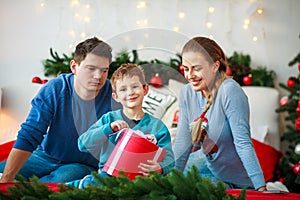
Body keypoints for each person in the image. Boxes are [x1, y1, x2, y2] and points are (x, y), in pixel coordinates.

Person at [0, 37, 115, 183]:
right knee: (3, 172)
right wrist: (6, 178)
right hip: (44, 155)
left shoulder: (114, 96)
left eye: (104, 70)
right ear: (74, 66)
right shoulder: (55, 89)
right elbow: (30, 133)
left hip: (81, 164)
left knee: (54, 184)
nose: (98, 76)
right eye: (91, 69)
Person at [173, 36, 267, 191]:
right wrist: (168, 184)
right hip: (210, 168)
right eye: (186, 69)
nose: (190, 75)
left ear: (215, 66)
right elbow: (183, 143)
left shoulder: (229, 91)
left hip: (238, 180)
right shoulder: (187, 93)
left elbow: (243, 143)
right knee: (171, 180)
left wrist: (261, 188)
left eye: (196, 68)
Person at [67, 63, 175, 188]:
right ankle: (74, 186)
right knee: (95, 184)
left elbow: (170, 159)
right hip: (108, 176)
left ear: (145, 89)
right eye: (123, 89)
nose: (130, 93)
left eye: (135, 87)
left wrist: (160, 168)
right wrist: (108, 128)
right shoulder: (109, 119)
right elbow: (82, 144)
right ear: (116, 97)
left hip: (141, 180)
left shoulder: (158, 127)